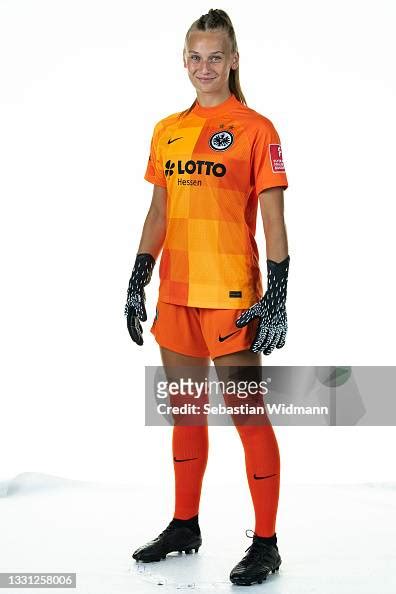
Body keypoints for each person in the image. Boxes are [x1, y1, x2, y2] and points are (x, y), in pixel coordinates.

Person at [125, 8, 290, 587]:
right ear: (184, 60)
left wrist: (280, 292)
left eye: (215, 56)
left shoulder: (256, 128)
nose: (204, 66)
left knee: (248, 415)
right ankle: (184, 525)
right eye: (194, 56)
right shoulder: (166, 129)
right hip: (176, 294)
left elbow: (273, 220)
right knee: (186, 414)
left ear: (234, 60)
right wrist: (138, 275)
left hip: (231, 295)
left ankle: (266, 543)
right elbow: (160, 211)